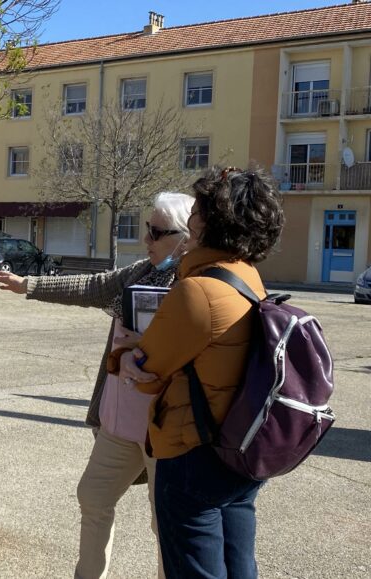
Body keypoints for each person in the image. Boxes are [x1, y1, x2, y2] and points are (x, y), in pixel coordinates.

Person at [0, 192, 195, 579]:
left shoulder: (196, 284)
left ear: (186, 237)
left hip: (167, 429)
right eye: (147, 230)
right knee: (94, 497)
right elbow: (91, 286)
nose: (147, 240)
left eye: (156, 232)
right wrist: (27, 285)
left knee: (164, 522)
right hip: (120, 423)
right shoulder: (139, 273)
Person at [118, 166, 285, 578]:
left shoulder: (198, 289)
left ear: (210, 221)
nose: (191, 217)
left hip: (193, 452)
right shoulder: (249, 278)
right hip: (238, 447)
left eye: (199, 209)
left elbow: (147, 371)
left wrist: (122, 356)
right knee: (239, 566)